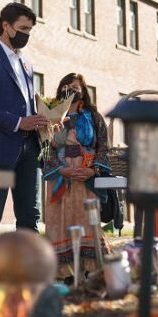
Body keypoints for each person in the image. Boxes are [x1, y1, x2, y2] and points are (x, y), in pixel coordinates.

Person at [0, 2, 50, 248]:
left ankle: (30, 272)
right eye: (23, 28)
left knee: (30, 215)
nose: (27, 34)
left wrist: (44, 119)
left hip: (30, 149)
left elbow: (25, 104)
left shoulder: (27, 64)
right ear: (6, 26)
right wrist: (18, 122)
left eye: (30, 30)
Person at [42, 73, 112, 280]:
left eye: (76, 87)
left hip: (85, 175)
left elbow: (103, 147)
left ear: (83, 91)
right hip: (60, 176)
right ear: (61, 89)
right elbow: (45, 148)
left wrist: (93, 171)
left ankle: (92, 268)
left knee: (87, 219)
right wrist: (61, 169)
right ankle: (64, 273)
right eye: (68, 86)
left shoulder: (93, 116)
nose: (72, 90)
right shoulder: (52, 114)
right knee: (59, 221)